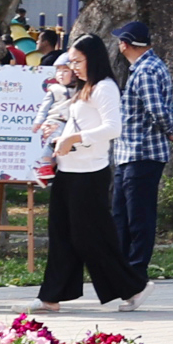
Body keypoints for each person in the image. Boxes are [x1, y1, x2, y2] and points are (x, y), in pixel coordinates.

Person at [34, 38, 128, 307]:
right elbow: (75, 123)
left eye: (77, 61)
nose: (72, 67)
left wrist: (74, 138)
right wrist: (58, 136)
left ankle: (132, 287)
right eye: (70, 62)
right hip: (68, 170)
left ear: (93, 58)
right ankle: (52, 297)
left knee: (90, 238)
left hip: (90, 173)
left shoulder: (105, 88)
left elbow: (113, 129)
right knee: (61, 234)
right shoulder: (84, 88)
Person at [111, 21, 173, 295]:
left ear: (125, 43)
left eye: (119, 41)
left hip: (143, 152)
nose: (117, 45)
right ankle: (123, 270)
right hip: (129, 152)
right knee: (121, 215)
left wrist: (170, 130)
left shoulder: (147, 70)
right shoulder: (144, 67)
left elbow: (156, 110)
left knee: (138, 216)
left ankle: (136, 272)